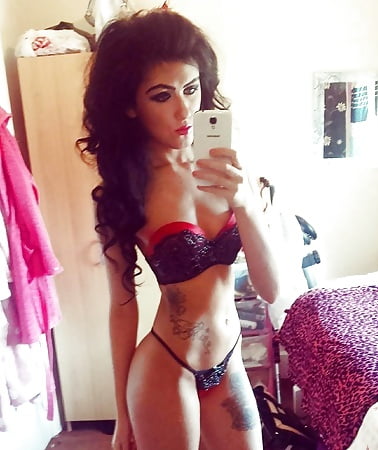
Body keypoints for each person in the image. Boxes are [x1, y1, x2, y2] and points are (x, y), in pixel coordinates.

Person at [78, 8, 281, 450]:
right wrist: (122, 413)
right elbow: (122, 308)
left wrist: (246, 204)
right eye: (161, 95)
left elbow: (270, 289)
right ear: (130, 106)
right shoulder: (123, 194)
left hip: (230, 361)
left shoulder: (231, 170)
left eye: (191, 88)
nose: (184, 109)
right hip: (165, 367)